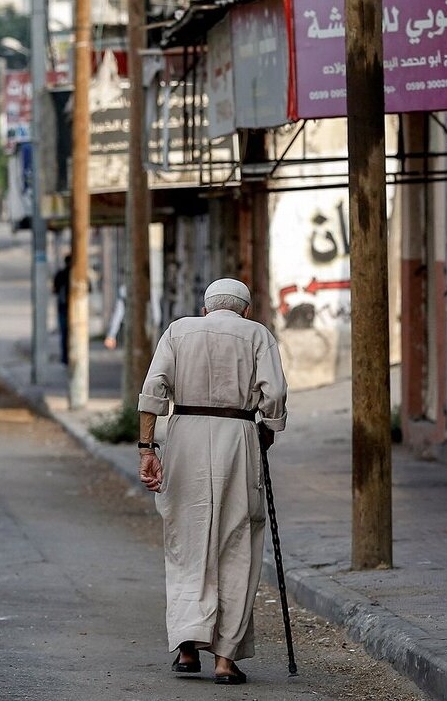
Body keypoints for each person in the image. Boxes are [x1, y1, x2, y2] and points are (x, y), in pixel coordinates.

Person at [137, 277, 288, 686]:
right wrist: (267, 434)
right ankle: (225, 659)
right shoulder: (258, 335)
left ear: (205, 309)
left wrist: (147, 448)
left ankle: (187, 649)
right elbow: (273, 396)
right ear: (246, 310)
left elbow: (153, 390)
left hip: (183, 435)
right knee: (237, 544)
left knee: (186, 543)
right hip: (237, 436)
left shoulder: (178, 330)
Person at [52, 255, 71, 364]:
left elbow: (55, 290)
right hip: (67, 309)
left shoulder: (61, 274)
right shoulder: (75, 275)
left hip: (63, 308)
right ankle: (66, 357)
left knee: (64, 334)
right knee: (66, 333)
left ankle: (65, 357)